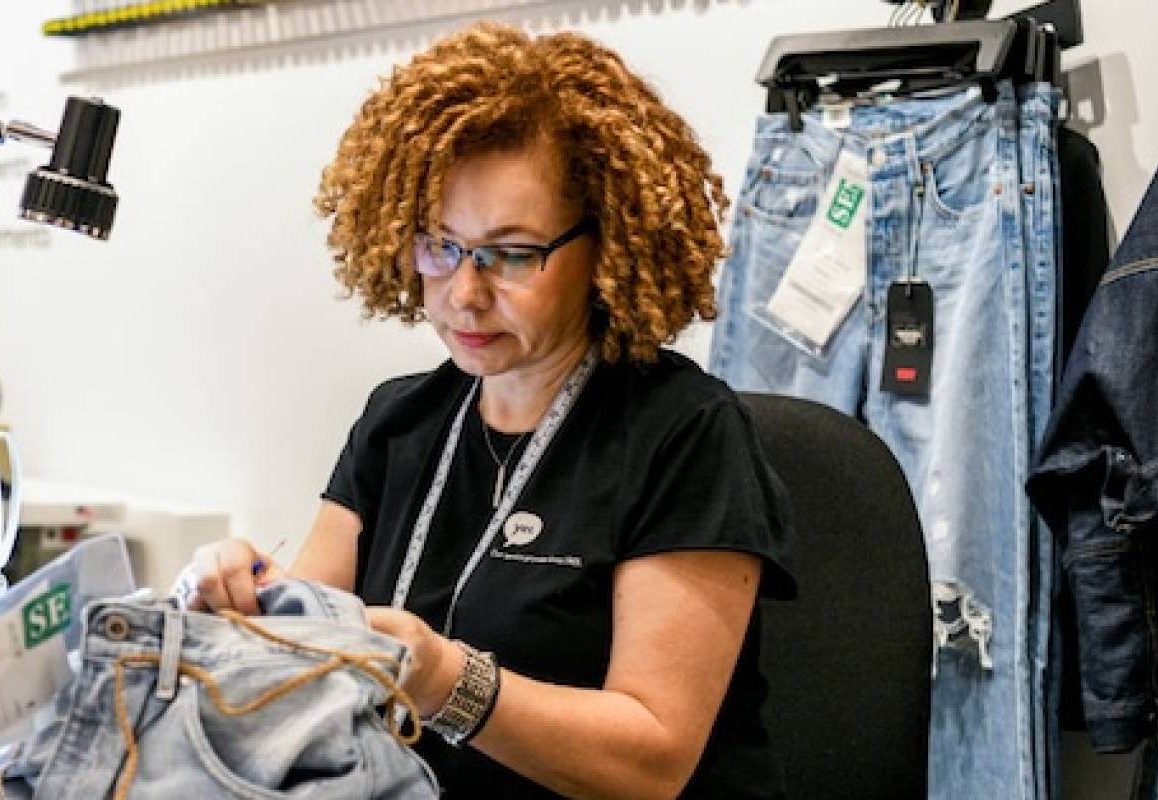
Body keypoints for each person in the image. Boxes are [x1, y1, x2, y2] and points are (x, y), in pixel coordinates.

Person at [181, 22, 797, 799]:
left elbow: (651, 760)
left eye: (510, 254)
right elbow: (306, 658)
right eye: (440, 245)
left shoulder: (684, 433)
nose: (465, 293)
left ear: (605, 247)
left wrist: (445, 679)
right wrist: (242, 598)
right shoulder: (399, 423)